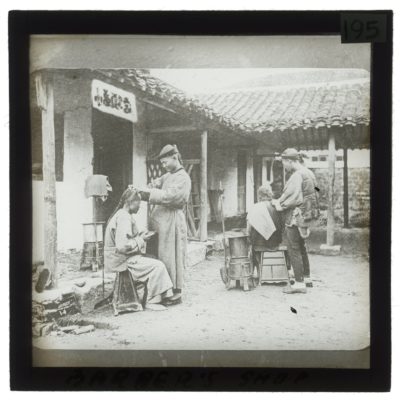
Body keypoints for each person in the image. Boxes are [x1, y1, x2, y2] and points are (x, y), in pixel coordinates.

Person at [139, 145, 191, 305]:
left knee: (171, 256)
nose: (163, 166)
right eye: (161, 163)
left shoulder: (183, 178)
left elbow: (172, 197)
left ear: (175, 157)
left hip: (172, 221)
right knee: (158, 255)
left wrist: (148, 194)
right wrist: (147, 187)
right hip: (160, 223)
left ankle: (175, 292)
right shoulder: (168, 175)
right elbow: (156, 184)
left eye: (165, 162)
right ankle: (160, 291)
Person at [104, 187, 174, 308]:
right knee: (158, 266)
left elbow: (127, 238)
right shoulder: (123, 217)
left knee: (153, 258)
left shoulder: (123, 214)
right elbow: (122, 247)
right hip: (123, 261)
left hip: (122, 259)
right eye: (138, 204)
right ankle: (151, 301)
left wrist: (140, 236)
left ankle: (154, 296)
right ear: (130, 202)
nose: (139, 207)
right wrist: (141, 239)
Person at [272, 148, 320, 294]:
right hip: (306, 213)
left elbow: (291, 197)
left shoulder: (297, 175)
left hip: (296, 214)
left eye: (284, 162)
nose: (284, 166)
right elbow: (315, 193)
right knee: (302, 246)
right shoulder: (309, 172)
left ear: (290, 161)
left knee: (293, 248)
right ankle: (306, 278)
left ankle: (299, 284)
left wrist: (278, 204)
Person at [247, 183, 284, 281]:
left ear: (259, 195)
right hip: (275, 241)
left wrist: (248, 236)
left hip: (260, 243)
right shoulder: (276, 205)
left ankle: (258, 272)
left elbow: (249, 226)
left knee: (252, 241)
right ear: (270, 194)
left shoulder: (255, 207)